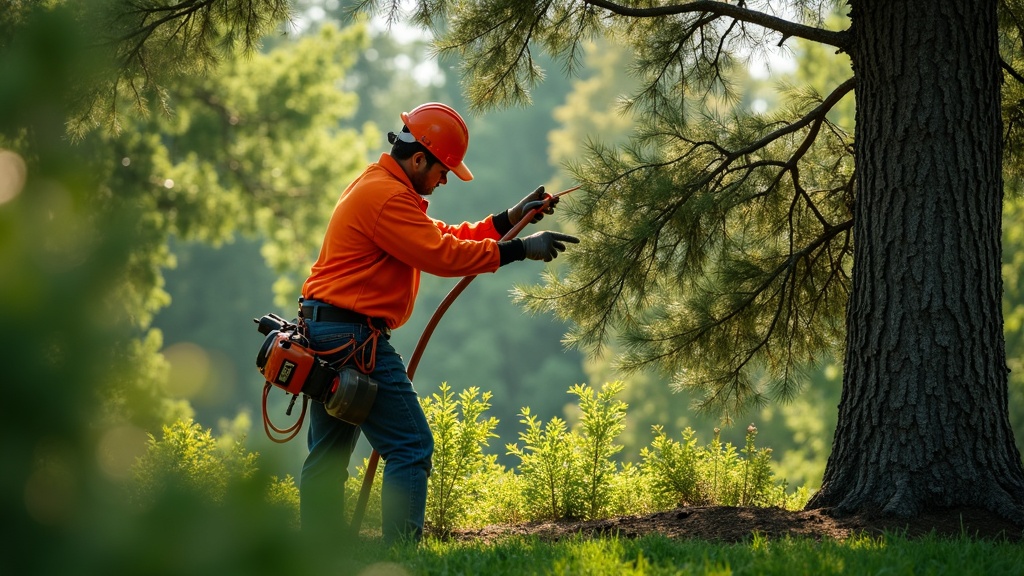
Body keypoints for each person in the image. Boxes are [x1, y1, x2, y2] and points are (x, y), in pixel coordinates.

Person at [297, 102, 579, 545]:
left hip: (328, 333)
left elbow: (439, 237)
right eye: (443, 169)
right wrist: (519, 249)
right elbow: (441, 255)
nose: (445, 179)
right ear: (419, 158)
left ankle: (316, 558)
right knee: (410, 445)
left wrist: (506, 221)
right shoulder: (387, 197)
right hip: (353, 339)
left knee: (328, 456)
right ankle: (404, 560)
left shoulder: (382, 186)